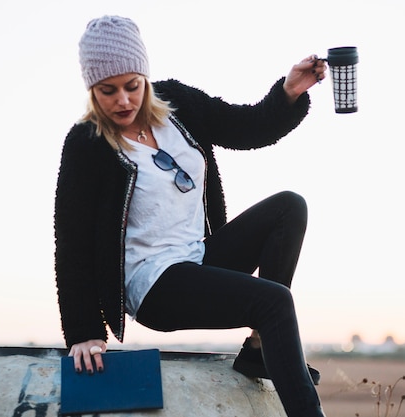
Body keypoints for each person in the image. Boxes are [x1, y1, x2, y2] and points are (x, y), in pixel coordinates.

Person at [54, 15, 328, 417]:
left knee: (289, 206)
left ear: (145, 77)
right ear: (92, 90)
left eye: (132, 86)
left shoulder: (180, 104)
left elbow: (248, 127)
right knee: (274, 302)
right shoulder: (86, 144)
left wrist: (289, 92)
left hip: (198, 255)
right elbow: (72, 242)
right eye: (107, 91)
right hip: (153, 284)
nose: (123, 100)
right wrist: (84, 332)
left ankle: (257, 350)